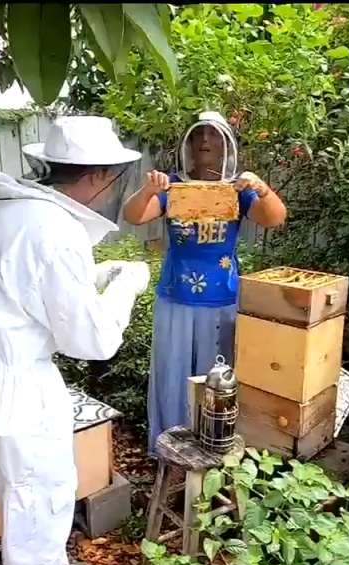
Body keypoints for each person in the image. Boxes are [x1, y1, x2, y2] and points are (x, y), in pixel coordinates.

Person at [0, 116, 151, 565]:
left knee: (18, 495)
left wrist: (97, 276)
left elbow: (23, 288)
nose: (114, 187)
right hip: (17, 394)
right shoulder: (53, 230)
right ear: (97, 175)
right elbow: (94, 340)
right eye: (114, 177)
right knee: (39, 506)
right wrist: (127, 285)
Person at [121, 111, 287, 455]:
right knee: (173, 373)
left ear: (227, 145)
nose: (207, 141)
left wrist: (261, 187)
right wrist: (149, 188)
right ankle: (171, 448)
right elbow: (134, 215)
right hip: (175, 298)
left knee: (218, 381)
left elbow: (275, 218)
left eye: (214, 135)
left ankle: (215, 446)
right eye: (200, 135)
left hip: (222, 299)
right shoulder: (172, 185)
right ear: (190, 144)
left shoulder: (238, 190)